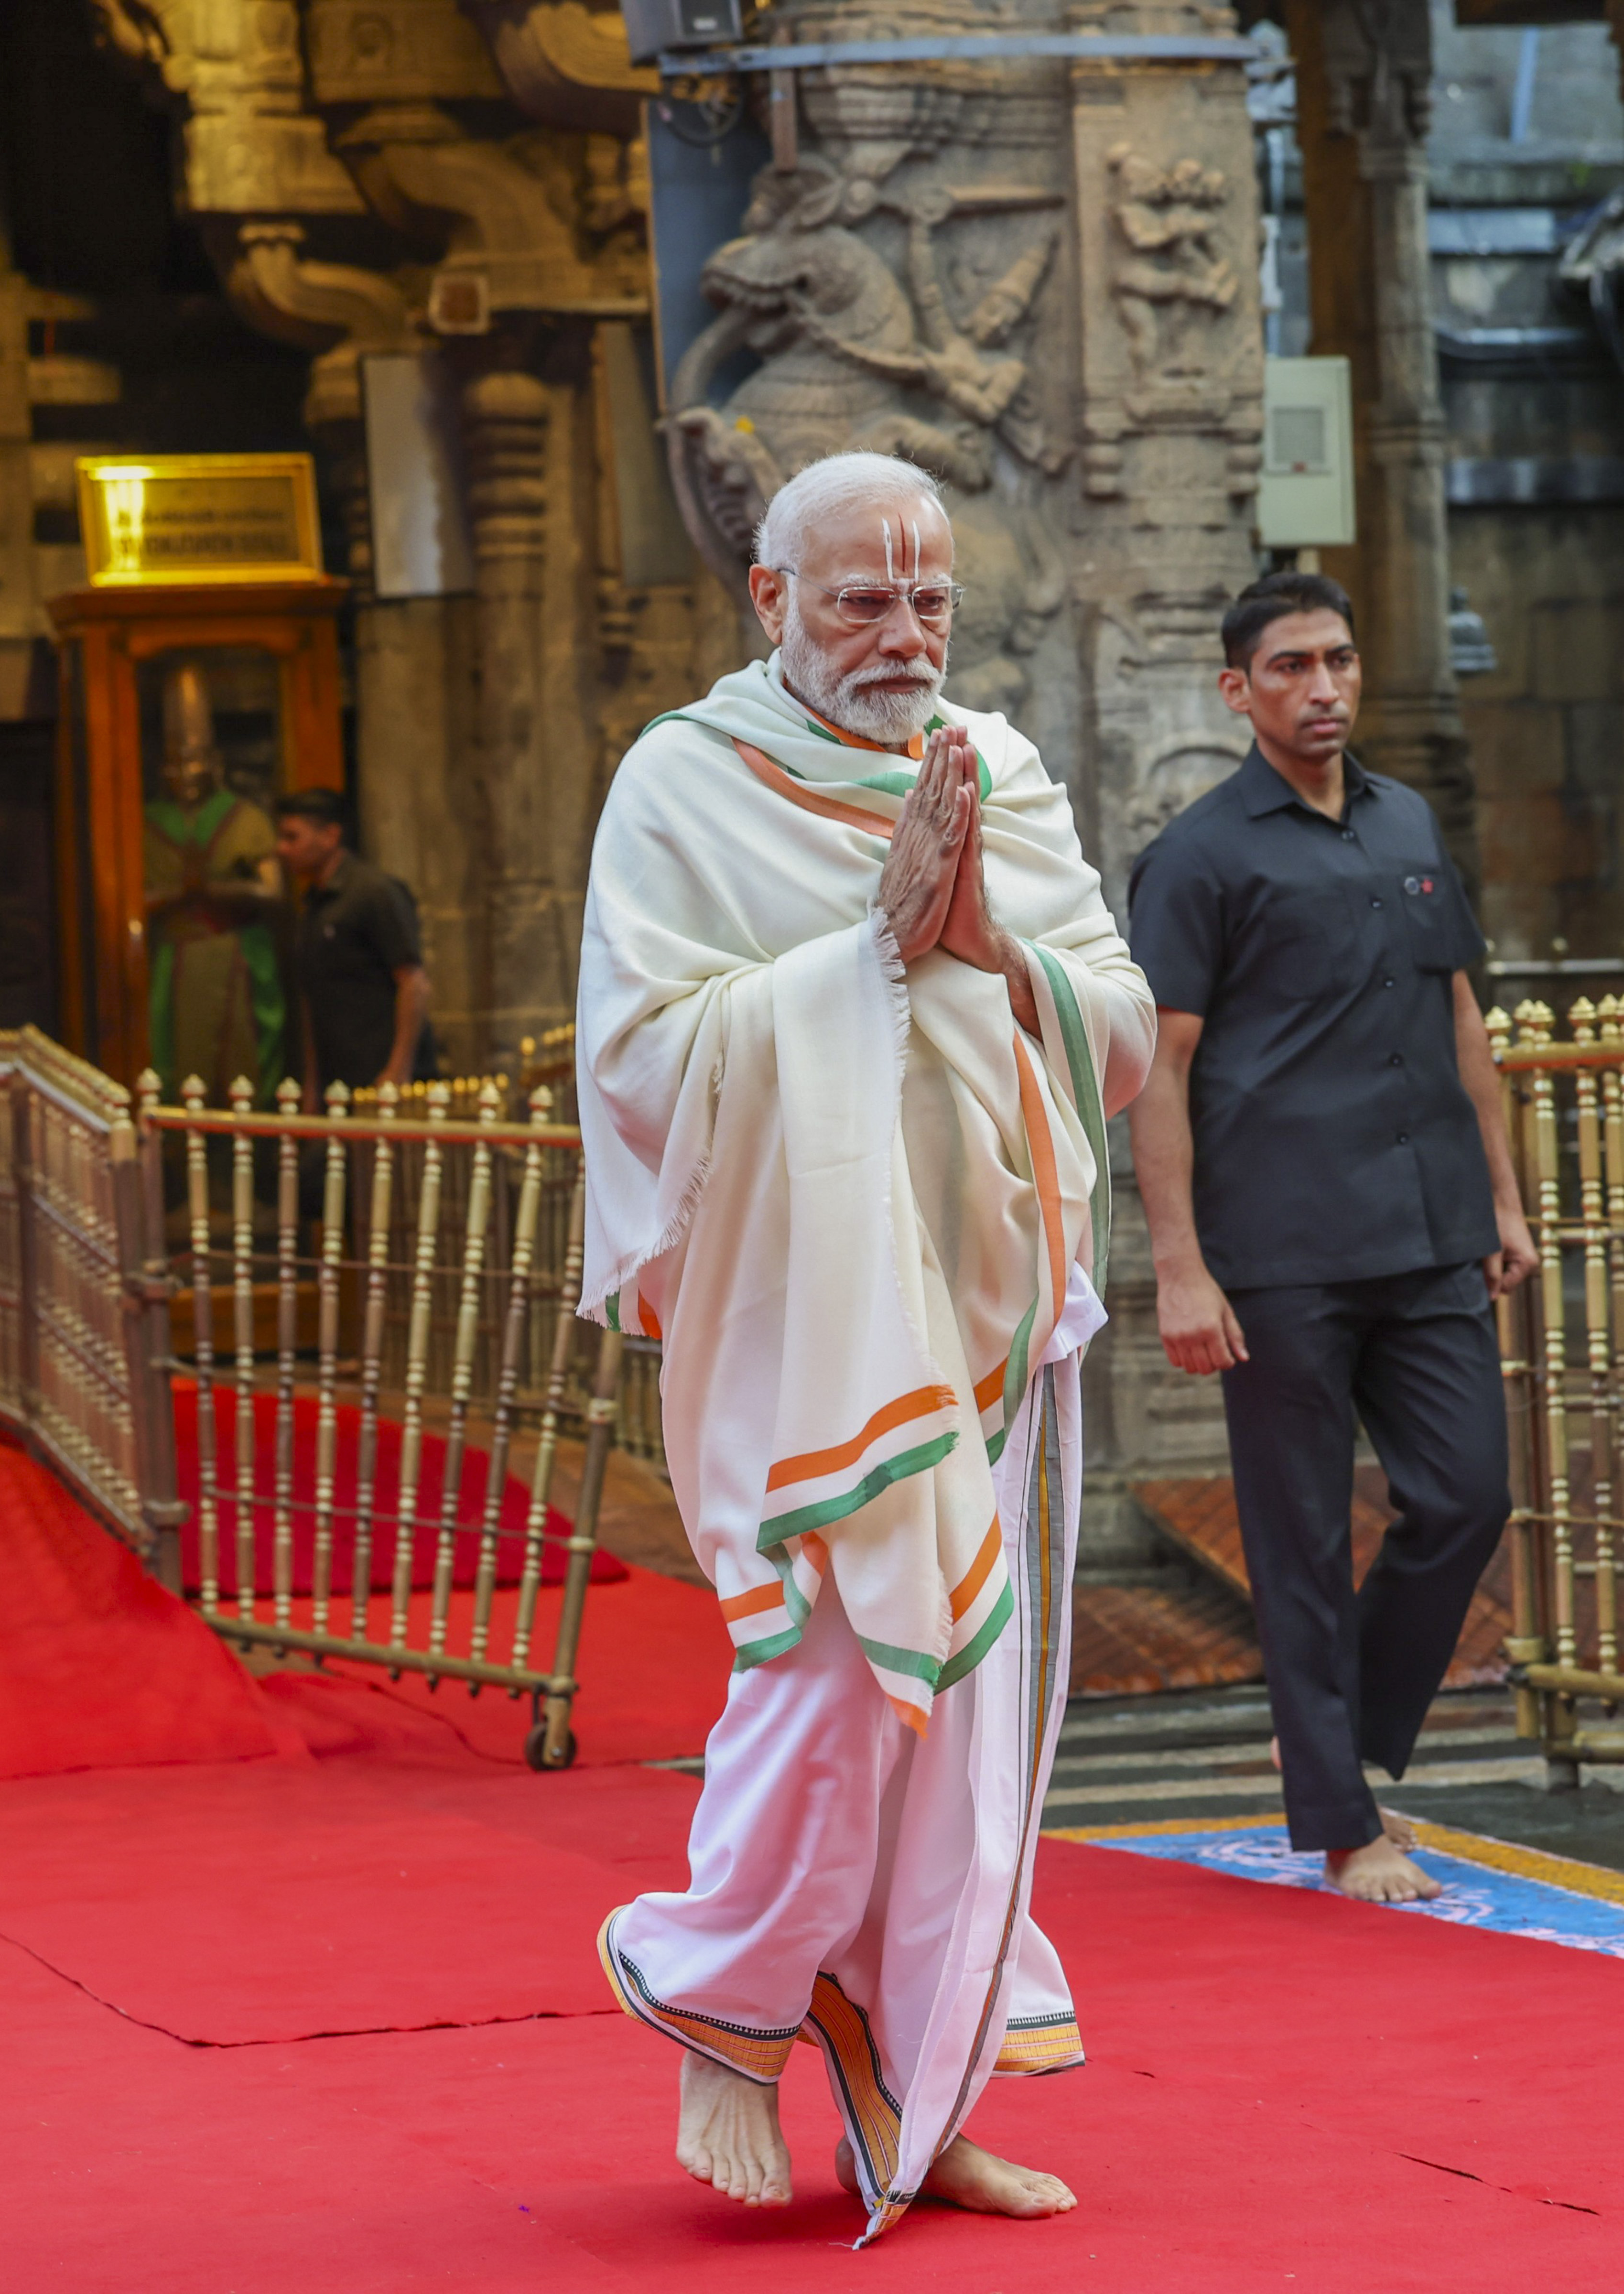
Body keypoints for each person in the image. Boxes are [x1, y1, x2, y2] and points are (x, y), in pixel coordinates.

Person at [577, 452, 1155, 2244]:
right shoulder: (681, 780)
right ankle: (730, 1991)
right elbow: (639, 1061)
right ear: (766, 599)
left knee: (970, 1737)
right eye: (857, 598)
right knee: (830, 1693)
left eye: (927, 600)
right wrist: (861, 956)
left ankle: (924, 2104)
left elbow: (1119, 1030)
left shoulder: (998, 775)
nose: (901, 632)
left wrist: (984, 943)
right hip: (799, 1321)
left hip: (981, 1316)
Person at [1126, 570, 1537, 1906]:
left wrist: (1502, 1199)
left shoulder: (1406, 820)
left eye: (1338, 661)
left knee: (1466, 1495)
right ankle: (1342, 1825)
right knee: (1295, 1535)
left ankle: (1336, 1742)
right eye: (1291, 666)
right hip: (1281, 1252)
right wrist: (1179, 1266)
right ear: (1236, 689)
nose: (1322, 686)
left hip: (1424, 1235)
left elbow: (1458, 1020)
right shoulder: (1196, 857)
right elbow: (1159, 1069)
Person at [144, 660, 286, 1103]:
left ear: (215, 762)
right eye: (175, 762)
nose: (186, 773)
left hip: (233, 954)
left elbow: (273, 891)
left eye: (195, 760)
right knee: (177, 1062)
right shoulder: (147, 822)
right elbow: (132, 899)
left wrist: (215, 891)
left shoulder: (244, 818)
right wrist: (172, 896)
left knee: (240, 1061)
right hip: (175, 955)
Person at [273, 789, 435, 1104]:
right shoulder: (314, 904)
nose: (282, 849)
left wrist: (398, 1069)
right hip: (338, 1081)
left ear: (330, 836)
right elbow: (313, 998)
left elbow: (413, 982)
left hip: (380, 1076)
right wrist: (312, 1084)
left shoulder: (373, 893)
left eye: (292, 838)